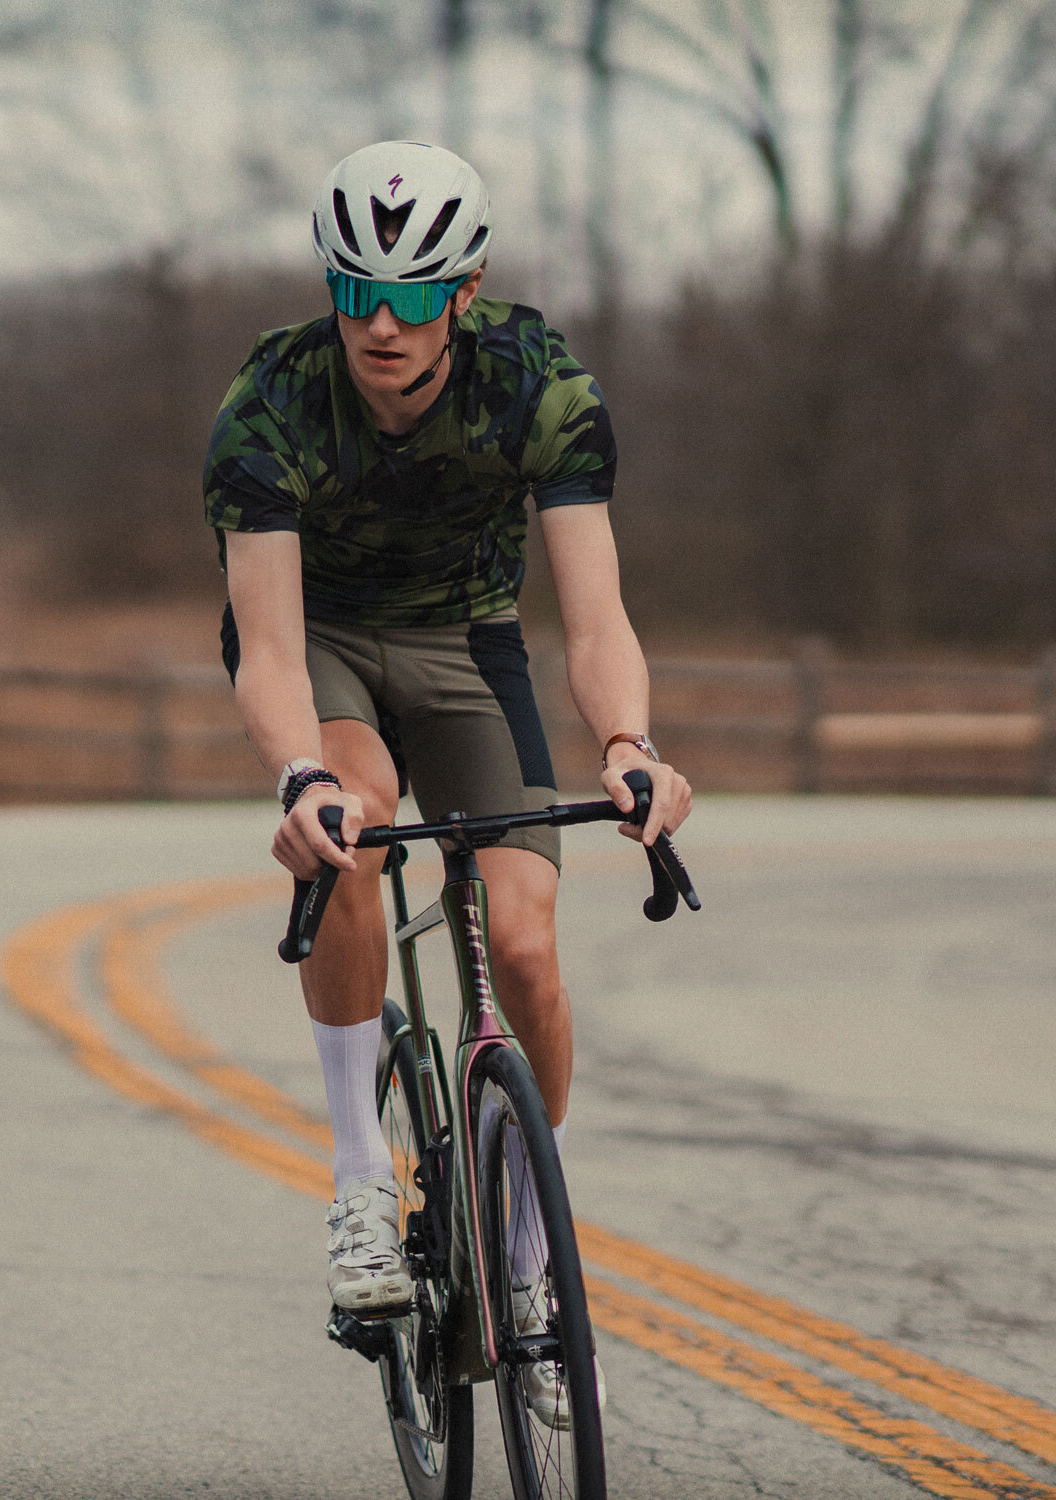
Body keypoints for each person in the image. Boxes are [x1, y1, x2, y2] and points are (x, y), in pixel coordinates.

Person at [206, 141, 691, 1427]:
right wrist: (301, 773)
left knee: (526, 949)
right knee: (352, 838)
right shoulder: (272, 398)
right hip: (324, 646)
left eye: (414, 296)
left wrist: (632, 746)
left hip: (471, 647)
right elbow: (262, 646)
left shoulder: (542, 384)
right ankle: (363, 1179)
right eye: (354, 287)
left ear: (464, 292)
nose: (379, 322)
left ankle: (533, 1260)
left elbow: (593, 619)